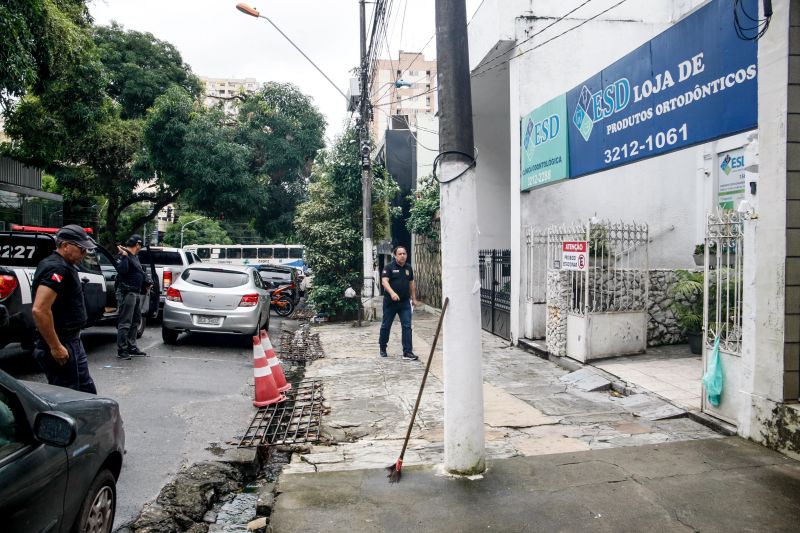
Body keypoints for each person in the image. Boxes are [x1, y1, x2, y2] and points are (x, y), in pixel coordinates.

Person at [31, 224, 97, 393]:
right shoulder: (56, 268)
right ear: (66, 245)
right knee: (68, 396)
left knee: (86, 391)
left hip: (73, 340)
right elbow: (40, 310)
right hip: (62, 342)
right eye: (82, 249)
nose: (84, 254)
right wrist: (55, 346)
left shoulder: (66, 265)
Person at [378, 245, 418, 360]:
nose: (402, 256)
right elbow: (384, 282)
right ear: (395, 255)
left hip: (405, 303)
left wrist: (414, 299)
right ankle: (382, 347)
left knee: (407, 326)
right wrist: (392, 293)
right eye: (400, 254)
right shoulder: (389, 267)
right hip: (390, 303)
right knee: (386, 326)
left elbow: (411, 284)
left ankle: (407, 352)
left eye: (404, 254)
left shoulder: (408, 268)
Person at [115, 234, 150, 359]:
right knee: (125, 322)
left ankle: (132, 346)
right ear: (138, 245)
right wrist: (124, 257)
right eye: (140, 246)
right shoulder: (123, 255)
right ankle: (122, 350)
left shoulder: (135, 257)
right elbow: (122, 271)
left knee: (135, 321)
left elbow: (138, 272)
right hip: (127, 292)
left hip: (136, 292)